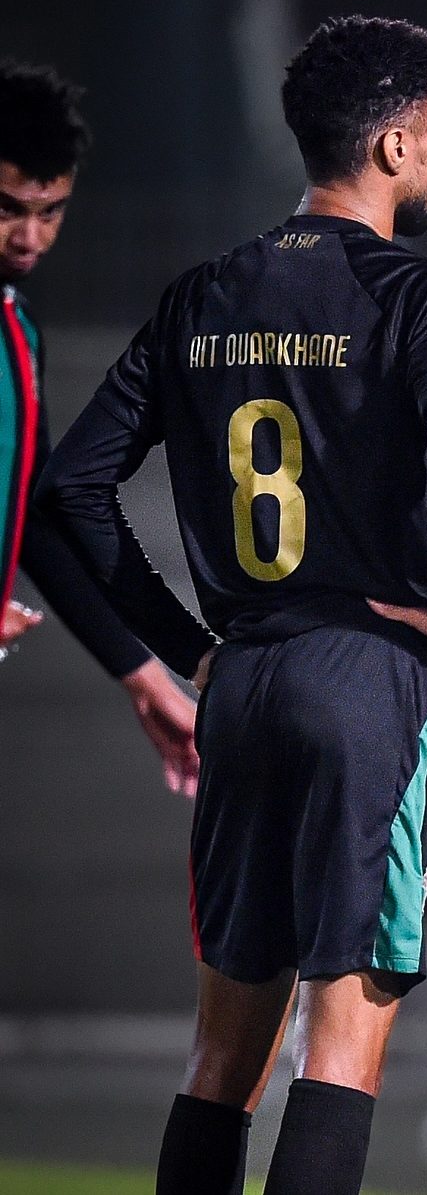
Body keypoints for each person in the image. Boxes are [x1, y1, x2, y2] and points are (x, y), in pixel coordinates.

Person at [36, 16, 427, 1195]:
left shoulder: (202, 293)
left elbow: (72, 486)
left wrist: (188, 645)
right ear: (396, 146)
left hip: (240, 684)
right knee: (340, 1047)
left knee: (219, 1055)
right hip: (369, 677)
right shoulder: (419, 294)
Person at [0, 60, 198, 791]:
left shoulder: (18, 329)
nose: (31, 235)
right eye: (8, 208)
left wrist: (145, 678)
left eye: (50, 211)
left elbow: (32, 513)